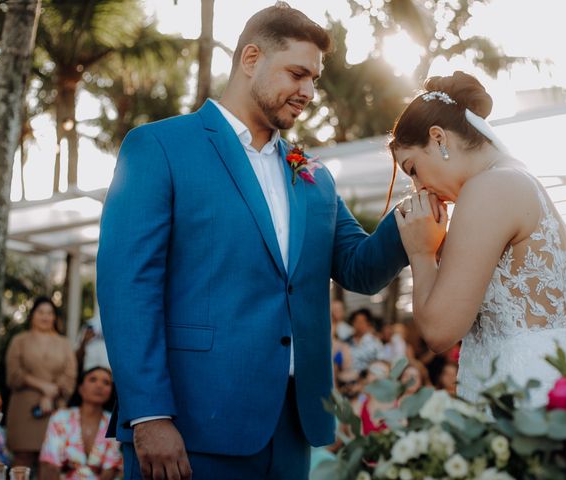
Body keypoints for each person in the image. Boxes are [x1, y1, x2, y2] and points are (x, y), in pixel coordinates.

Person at [96, 3, 412, 479]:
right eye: (297, 73)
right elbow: (127, 289)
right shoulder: (159, 147)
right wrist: (149, 414)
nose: (308, 92)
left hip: (292, 429)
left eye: (315, 80)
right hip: (188, 427)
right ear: (250, 59)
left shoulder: (314, 175)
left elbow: (360, 268)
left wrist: (421, 201)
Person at [389, 71, 566, 406]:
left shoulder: (488, 189)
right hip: (546, 386)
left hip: (524, 399)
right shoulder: (515, 178)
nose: (419, 187)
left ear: (439, 138)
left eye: (413, 169)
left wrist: (421, 252)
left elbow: (439, 331)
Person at [5, 297, 77, 474]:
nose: (45, 317)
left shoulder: (64, 343)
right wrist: (42, 386)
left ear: (55, 317)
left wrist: (50, 394)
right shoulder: (19, 340)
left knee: (52, 461)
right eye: (41, 312)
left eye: (49, 313)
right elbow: (13, 374)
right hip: (23, 408)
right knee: (22, 460)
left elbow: (70, 374)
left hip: (55, 409)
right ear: (32, 316)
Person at [39, 367, 122, 480]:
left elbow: (111, 469)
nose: (99, 385)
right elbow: (50, 463)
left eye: (106, 382)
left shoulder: (114, 423)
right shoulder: (60, 418)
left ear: (111, 391)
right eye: (93, 379)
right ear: (81, 388)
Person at [348, 308, 383, 373]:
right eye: (356, 321)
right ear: (352, 323)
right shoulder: (346, 342)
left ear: (368, 324)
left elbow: (381, 361)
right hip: (349, 377)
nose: (359, 324)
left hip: (368, 376)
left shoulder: (375, 342)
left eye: (362, 321)